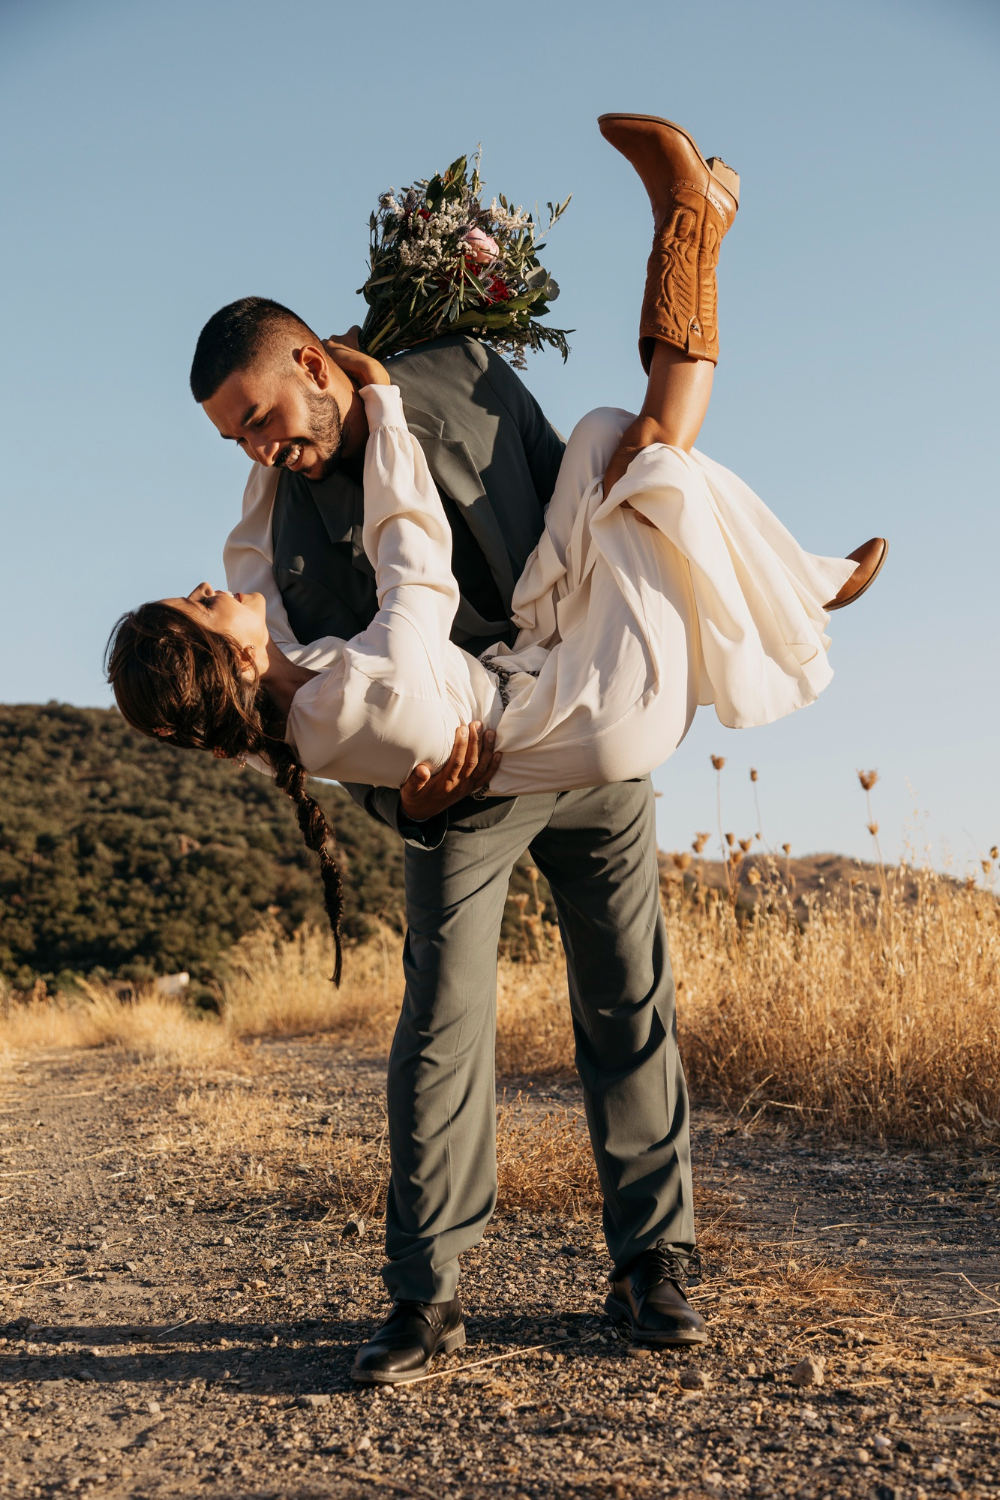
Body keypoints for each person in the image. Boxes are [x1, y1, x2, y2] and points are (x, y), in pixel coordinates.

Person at [107, 115, 885, 1383]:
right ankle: (424, 1299)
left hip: (577, 714)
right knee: (441, 1026)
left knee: (628, 997)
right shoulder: (282, 524)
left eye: (259, 418)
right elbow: (298, 713)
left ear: (311, 361)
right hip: (456, 801)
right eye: (237, 441)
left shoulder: (455, 384)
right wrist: (406, 795)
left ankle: (654, 1269)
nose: (259, 450)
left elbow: (551, 527)